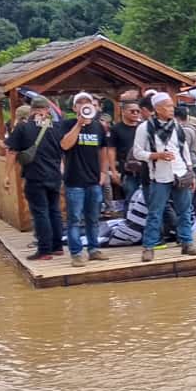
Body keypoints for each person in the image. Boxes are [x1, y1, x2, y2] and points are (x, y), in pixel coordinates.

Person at [132, 93, 196, 262]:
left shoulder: (177, 126)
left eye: (171, 106)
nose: (171, 109)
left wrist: (191, 172)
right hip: (159, 175)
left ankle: (187, 242)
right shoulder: (145, 128)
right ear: (158, 109)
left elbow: (184, 151)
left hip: (180, 172)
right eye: (168, 106)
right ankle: (149, 246)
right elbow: (137, 153)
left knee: (185, 210)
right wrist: (156, 155)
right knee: (155, 212)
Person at [4, 96, 64, 261]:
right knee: (55, 210)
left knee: (40, 212)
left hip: (35, 176)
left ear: (31, 109)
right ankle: (58, 246)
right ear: (47, 110)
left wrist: (7, 175)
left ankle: (44, 250)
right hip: (55, 175)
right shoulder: (58, 127)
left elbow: (12, 152)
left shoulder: (23, 128)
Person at [60, 91, 110, 267]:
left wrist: (104, 172)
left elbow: (103, 150)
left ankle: (94, 249)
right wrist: (79, 125)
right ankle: (76, 253)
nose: (84, 105)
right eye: (79, 103)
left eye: (87, 102)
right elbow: (65, 144)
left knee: (93, 218)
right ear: (74, 108)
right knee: (74, 219)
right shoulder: (67, 124)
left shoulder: (98, 127)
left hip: (93, 180)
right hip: (74, 181)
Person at [108, 100, 142, 213]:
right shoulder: (116, 129)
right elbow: (111, 150)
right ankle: (129, 223)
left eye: (138, 111)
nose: (136, 113)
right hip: (127, 171)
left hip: (145, 170)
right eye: (132, 111)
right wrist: (113, 171)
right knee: (130, 198)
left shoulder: (143, 127)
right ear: (123, 111)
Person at [175, 104, 196, 219]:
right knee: (193, 195)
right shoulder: (193, 129)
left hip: (189, 164)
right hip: (194, 162)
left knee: (189, 196)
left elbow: (183, 150)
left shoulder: (184, 131)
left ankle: (191, 219)